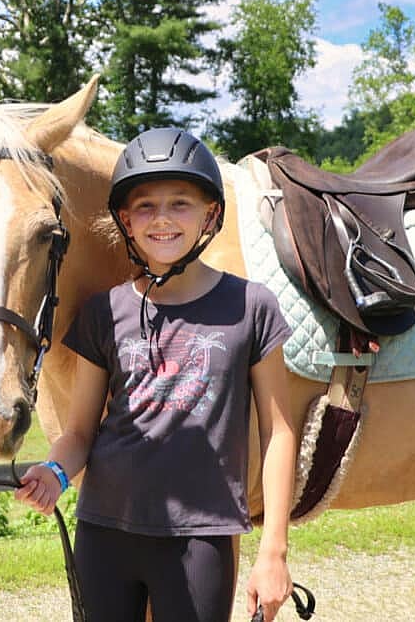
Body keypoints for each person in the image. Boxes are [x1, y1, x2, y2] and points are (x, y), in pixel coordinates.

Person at [15, 127, 298, 622]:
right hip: (104, 534)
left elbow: (279, 433)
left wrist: (273, 552)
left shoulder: (252, 307)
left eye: (180, 204)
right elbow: (80, 431)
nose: (162, 219)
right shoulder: (105, 312)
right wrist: (55, 473)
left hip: (201, 539)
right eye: (145, 206)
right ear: (124, 219)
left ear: (211, 214)